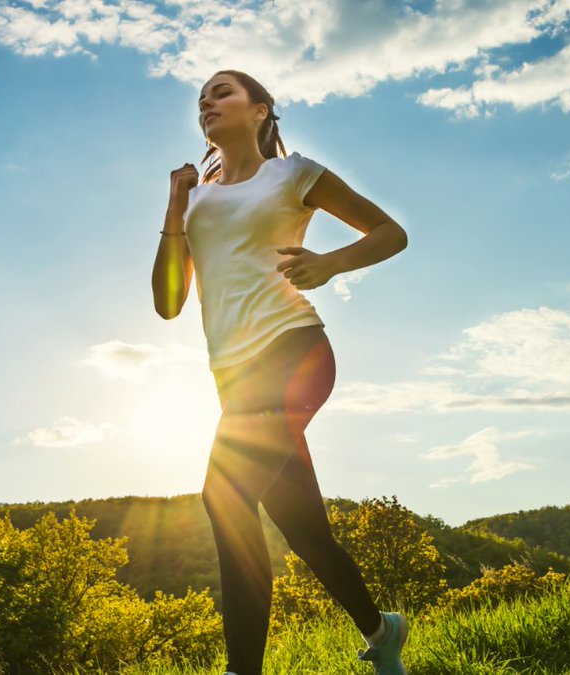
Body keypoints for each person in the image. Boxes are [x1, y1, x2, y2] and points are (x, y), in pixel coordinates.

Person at [151, 69, 410, 675]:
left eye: (223, 92)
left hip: (294, 350)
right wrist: (174, 205)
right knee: (305, 532)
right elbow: (168, 302)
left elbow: (390, 233)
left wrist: (330, 263)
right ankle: (382, 632)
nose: (207, 104)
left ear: (261, 110)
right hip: (235, 378)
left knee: (225, 496)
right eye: (201, 100)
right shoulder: (199, 200)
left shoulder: (293, 174)